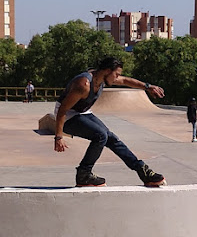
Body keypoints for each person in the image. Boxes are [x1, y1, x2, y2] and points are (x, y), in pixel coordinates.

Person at [54, 57, 166, 187]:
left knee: (111, 138)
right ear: (107, 71)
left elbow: (125, 80)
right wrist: (58, 136)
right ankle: (84, 174)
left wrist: (148, 87)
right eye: (116, 74)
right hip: (67, 116)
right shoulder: (84, 84)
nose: (117, 78)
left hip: (82, 112)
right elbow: (62, 110)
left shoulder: (102, 77)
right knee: (101, 135)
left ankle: (142, 171)